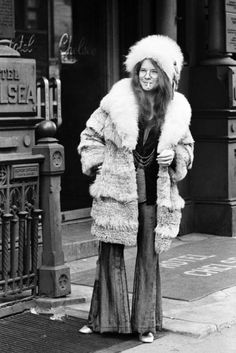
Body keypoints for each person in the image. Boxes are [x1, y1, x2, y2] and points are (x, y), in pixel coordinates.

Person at [77, 35, 194, 343]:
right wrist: (99, 162)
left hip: (155, 191)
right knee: (109, 253)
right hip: (118, 187)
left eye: (153, 70)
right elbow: (89, 136)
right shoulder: (117, 99)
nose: (146, 75)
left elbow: (188, 148)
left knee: (148, 257)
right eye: (142, 69)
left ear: (166, 76)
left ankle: (145, 324)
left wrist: (176, 156)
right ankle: (104, 319)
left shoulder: (177, 109)